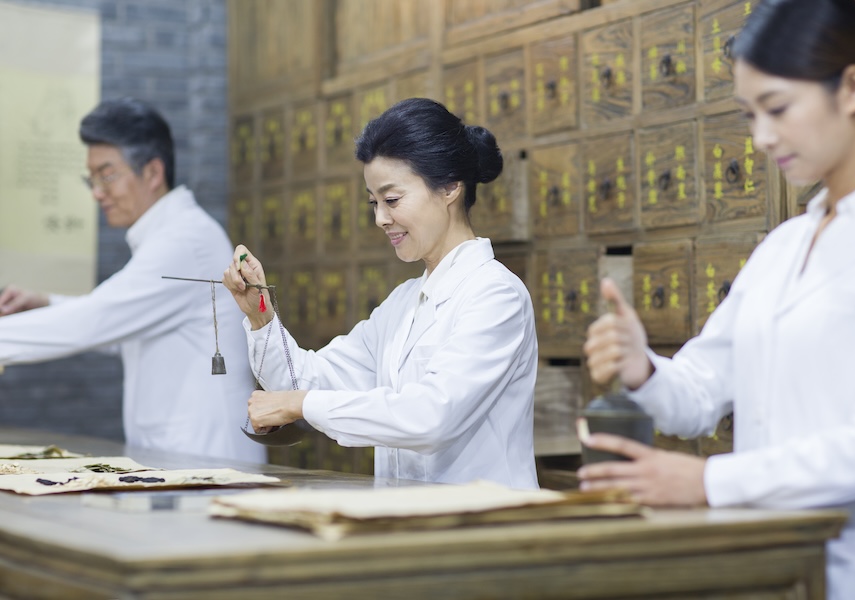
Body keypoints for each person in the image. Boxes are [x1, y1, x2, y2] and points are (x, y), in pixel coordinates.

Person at [578, 0, 855, 597]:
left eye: (777, 109)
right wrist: (643, 368)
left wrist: (710, 483)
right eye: (750, 114)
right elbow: (702, 390)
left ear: (853, 88)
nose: (760, 138)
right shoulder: (785, 246)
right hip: (768, 573)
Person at [224, 98, 538, 488]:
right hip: (410, 526)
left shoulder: (496, 295)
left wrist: (301, 404)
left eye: (392, 200)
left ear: (451, 186)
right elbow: (305, 380)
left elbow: (431, 416)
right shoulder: (403, 303)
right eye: (374, 203)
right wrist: (261, 315)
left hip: (484, 529)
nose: (380, 218)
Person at [0, 98, 264, 463]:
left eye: (107, 175)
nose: (96, 192)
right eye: (91, 178)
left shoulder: (183, 241)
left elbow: (96, 321)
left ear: (152, 173)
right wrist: (47, 303)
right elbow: (121, 320)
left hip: (209, 459)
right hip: (182, 456)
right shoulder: (168, 236)